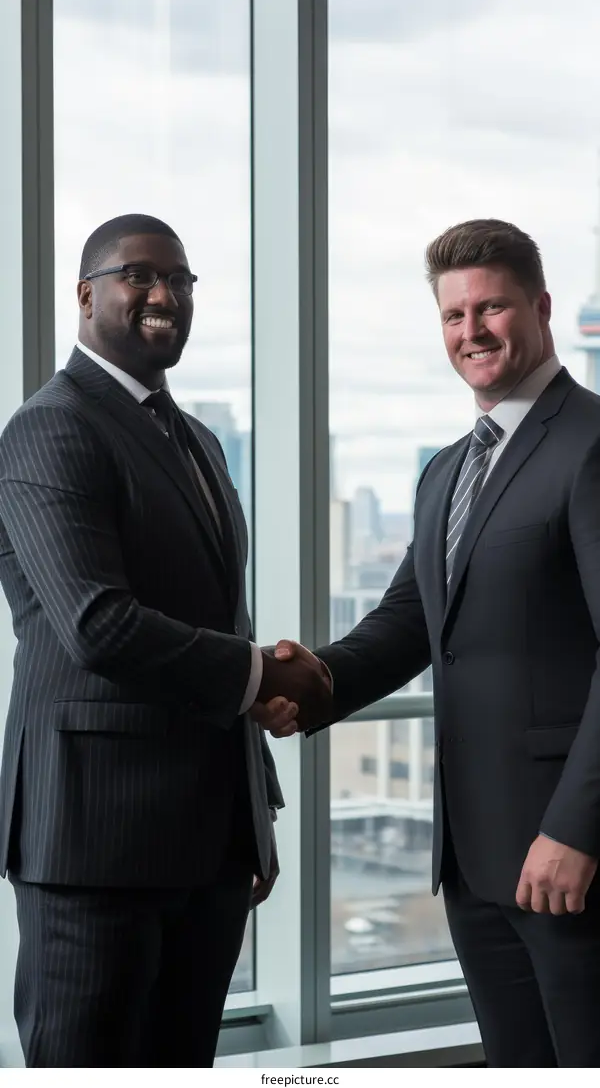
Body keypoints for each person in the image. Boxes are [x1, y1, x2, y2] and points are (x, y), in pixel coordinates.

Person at [263, 219, 600, 1067]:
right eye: (454, 316)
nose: (472, 332)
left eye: (492, 308)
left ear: (542, 306)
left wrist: (578, 829)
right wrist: (315, 680)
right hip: (474, 861)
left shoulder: (591, 445)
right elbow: (412, 622)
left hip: (570, 858)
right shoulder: (446, 469)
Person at [0, 213, 330, 1068]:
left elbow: (227, 622)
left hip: (207, 844)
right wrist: (261, 673)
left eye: (181, 281)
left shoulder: (200, 442)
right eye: (139, 275)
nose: (164, 296)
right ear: (86, 294)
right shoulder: (50, 427)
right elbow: (94, 623)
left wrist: (249, 817)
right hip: (94, 844)